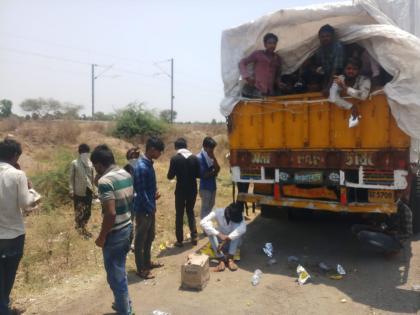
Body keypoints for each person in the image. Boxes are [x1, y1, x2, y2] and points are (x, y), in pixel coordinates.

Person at [90, 144, 134, 315]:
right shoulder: (126, 173)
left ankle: (125, 310)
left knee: (115, 277)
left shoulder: (105, 181)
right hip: (128, 227)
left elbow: (110, 214)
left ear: (99, 165)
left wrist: (101, 237)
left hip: (115, 233)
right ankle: (124, 304)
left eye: (95, 167)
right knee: (120, 271)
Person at [0, 139, 38, 315]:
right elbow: (26, 204)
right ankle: (4, 308)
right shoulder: (17, 175)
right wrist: (31, 190)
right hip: (12, 235)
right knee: (8, 276)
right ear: (15, 156)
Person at [133, 137, 165, 279]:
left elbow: (148, 187)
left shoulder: (148, 164)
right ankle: (141, 269)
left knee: (150, 237)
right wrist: (150, 206)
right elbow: (140, 192)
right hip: (143, 209)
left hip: (150, 207)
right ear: (152, 149)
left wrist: (154, 194)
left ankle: (147, 262)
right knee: (140, 240)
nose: (160, 154)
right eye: (159, 151)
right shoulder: (140, 166)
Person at [167, 138, 200, 247]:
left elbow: (170, 176)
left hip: (180, 190)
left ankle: (180, 240)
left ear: (176, 147)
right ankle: (194, 236)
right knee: (190, 211)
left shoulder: (175, 159)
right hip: (192, 189)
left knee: (179, 214)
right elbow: (199, 175)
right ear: (186, 146)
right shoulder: (194, 158)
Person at [200, 202, 246, 272]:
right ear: (228, 216)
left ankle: (230, 257)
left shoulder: (238, 214)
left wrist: (227, 239)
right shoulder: (218, 212)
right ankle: (221, 259)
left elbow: (243, 229)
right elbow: (202, 222)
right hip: (219, 243)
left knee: (238, 231)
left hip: (232, 243)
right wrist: (219, 234)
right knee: (209, 229)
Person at [239, 33, 285, 98]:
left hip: (270, 93)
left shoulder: (278, 59)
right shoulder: (258, 54)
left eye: (274, 43)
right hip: (256, 91)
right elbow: (242, 62)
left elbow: (278, 74)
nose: (272, 45)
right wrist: (247, 77)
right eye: (269, 43)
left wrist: (279, 83)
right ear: (265, 44)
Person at [329, 58, 371, 126]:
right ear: (344, 69)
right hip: (340, 117)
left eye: (354, 69)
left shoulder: (364, 79)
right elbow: (333, 97)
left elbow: (363, 95)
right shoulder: (340, 79)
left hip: (367, 115)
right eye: (348, 68)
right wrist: (351, 107)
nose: (351, 71)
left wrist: (345, 88)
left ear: (359, 70)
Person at [69, 143, 95, 238]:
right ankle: (80, 230)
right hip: (78, 191)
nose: (85, 154)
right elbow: (71, 178)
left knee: (88, 212)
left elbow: (93, 177)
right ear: (80, 153)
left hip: (89, 191)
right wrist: (71, 190)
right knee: (79, 211)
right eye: (83, 152)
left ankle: (83, 227)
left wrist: (95, 190)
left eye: (87, 152)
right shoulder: (74, 163)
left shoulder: (91, 163)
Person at [312, 24, 345, 93]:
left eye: (327, 36)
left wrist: (328, 87)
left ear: (332, 37)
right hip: (327, 76)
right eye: (322, 37)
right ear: (319, 38)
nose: (325, 39)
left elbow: (335, 70)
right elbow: (321, 67)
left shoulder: (338, 47)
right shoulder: (320, 50)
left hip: (340, 77)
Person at [197, 137, 220, 220]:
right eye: (211, 149)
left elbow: (218, 168)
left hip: (212, 186)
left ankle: (207, 226)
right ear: (205, 147)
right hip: (205, 187)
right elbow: (204, 175)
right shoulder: (200, 158)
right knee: (205, 208)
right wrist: (214, 172)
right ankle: (205, 228)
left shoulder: (210, 156)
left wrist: (213, 158)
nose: (212, 151)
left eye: (213, 149)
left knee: (210, 207)